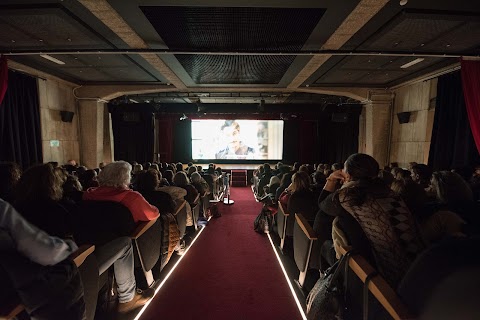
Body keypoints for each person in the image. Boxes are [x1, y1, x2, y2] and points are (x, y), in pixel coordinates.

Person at [83, 161, 159, 223]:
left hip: (87, 238)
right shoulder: (132, 198)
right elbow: (152, 213)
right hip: (121, 239)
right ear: (126, 178)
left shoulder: (88, 194)